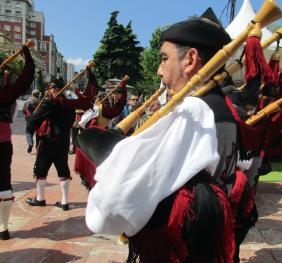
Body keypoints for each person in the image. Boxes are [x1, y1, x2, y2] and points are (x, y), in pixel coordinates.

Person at [84, 8, 242, 262]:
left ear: (190, 60)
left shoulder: (194, 111)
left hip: (180, 248)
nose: (158, 70)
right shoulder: (221, 106)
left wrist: (106, 153)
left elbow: (110, 208)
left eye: (164, 58)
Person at [0, 45, 35, 240]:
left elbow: (22, 81)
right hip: (3, 142)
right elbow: (23, 81)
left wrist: (28, 59)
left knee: (4, 184)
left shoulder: (6, 93)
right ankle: (3, 228)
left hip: (3, 141)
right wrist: (28, 59)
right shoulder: (7, 93)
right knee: (3, 182)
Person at [26, 82, 76, 211]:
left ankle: (40, 199)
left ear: (55, 90)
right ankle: (64, 202)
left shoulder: (48, 103)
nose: (49, 90)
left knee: (41, 170)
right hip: (63, 143)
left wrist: (32, 116)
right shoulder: (69, 106)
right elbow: (70, 122)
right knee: (63, 170)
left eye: (50, 88)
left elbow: (32, 121)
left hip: (47, 143)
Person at [22, 89, 40, 153]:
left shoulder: (27, 101)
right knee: (38, 134)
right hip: (38, 119)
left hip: (29, 119)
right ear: (38, 94)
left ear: (32, 94)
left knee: (29, 132)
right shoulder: (40, 101)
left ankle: (30, 143)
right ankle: (38, 147)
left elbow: (23, 110)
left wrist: (28, 114)